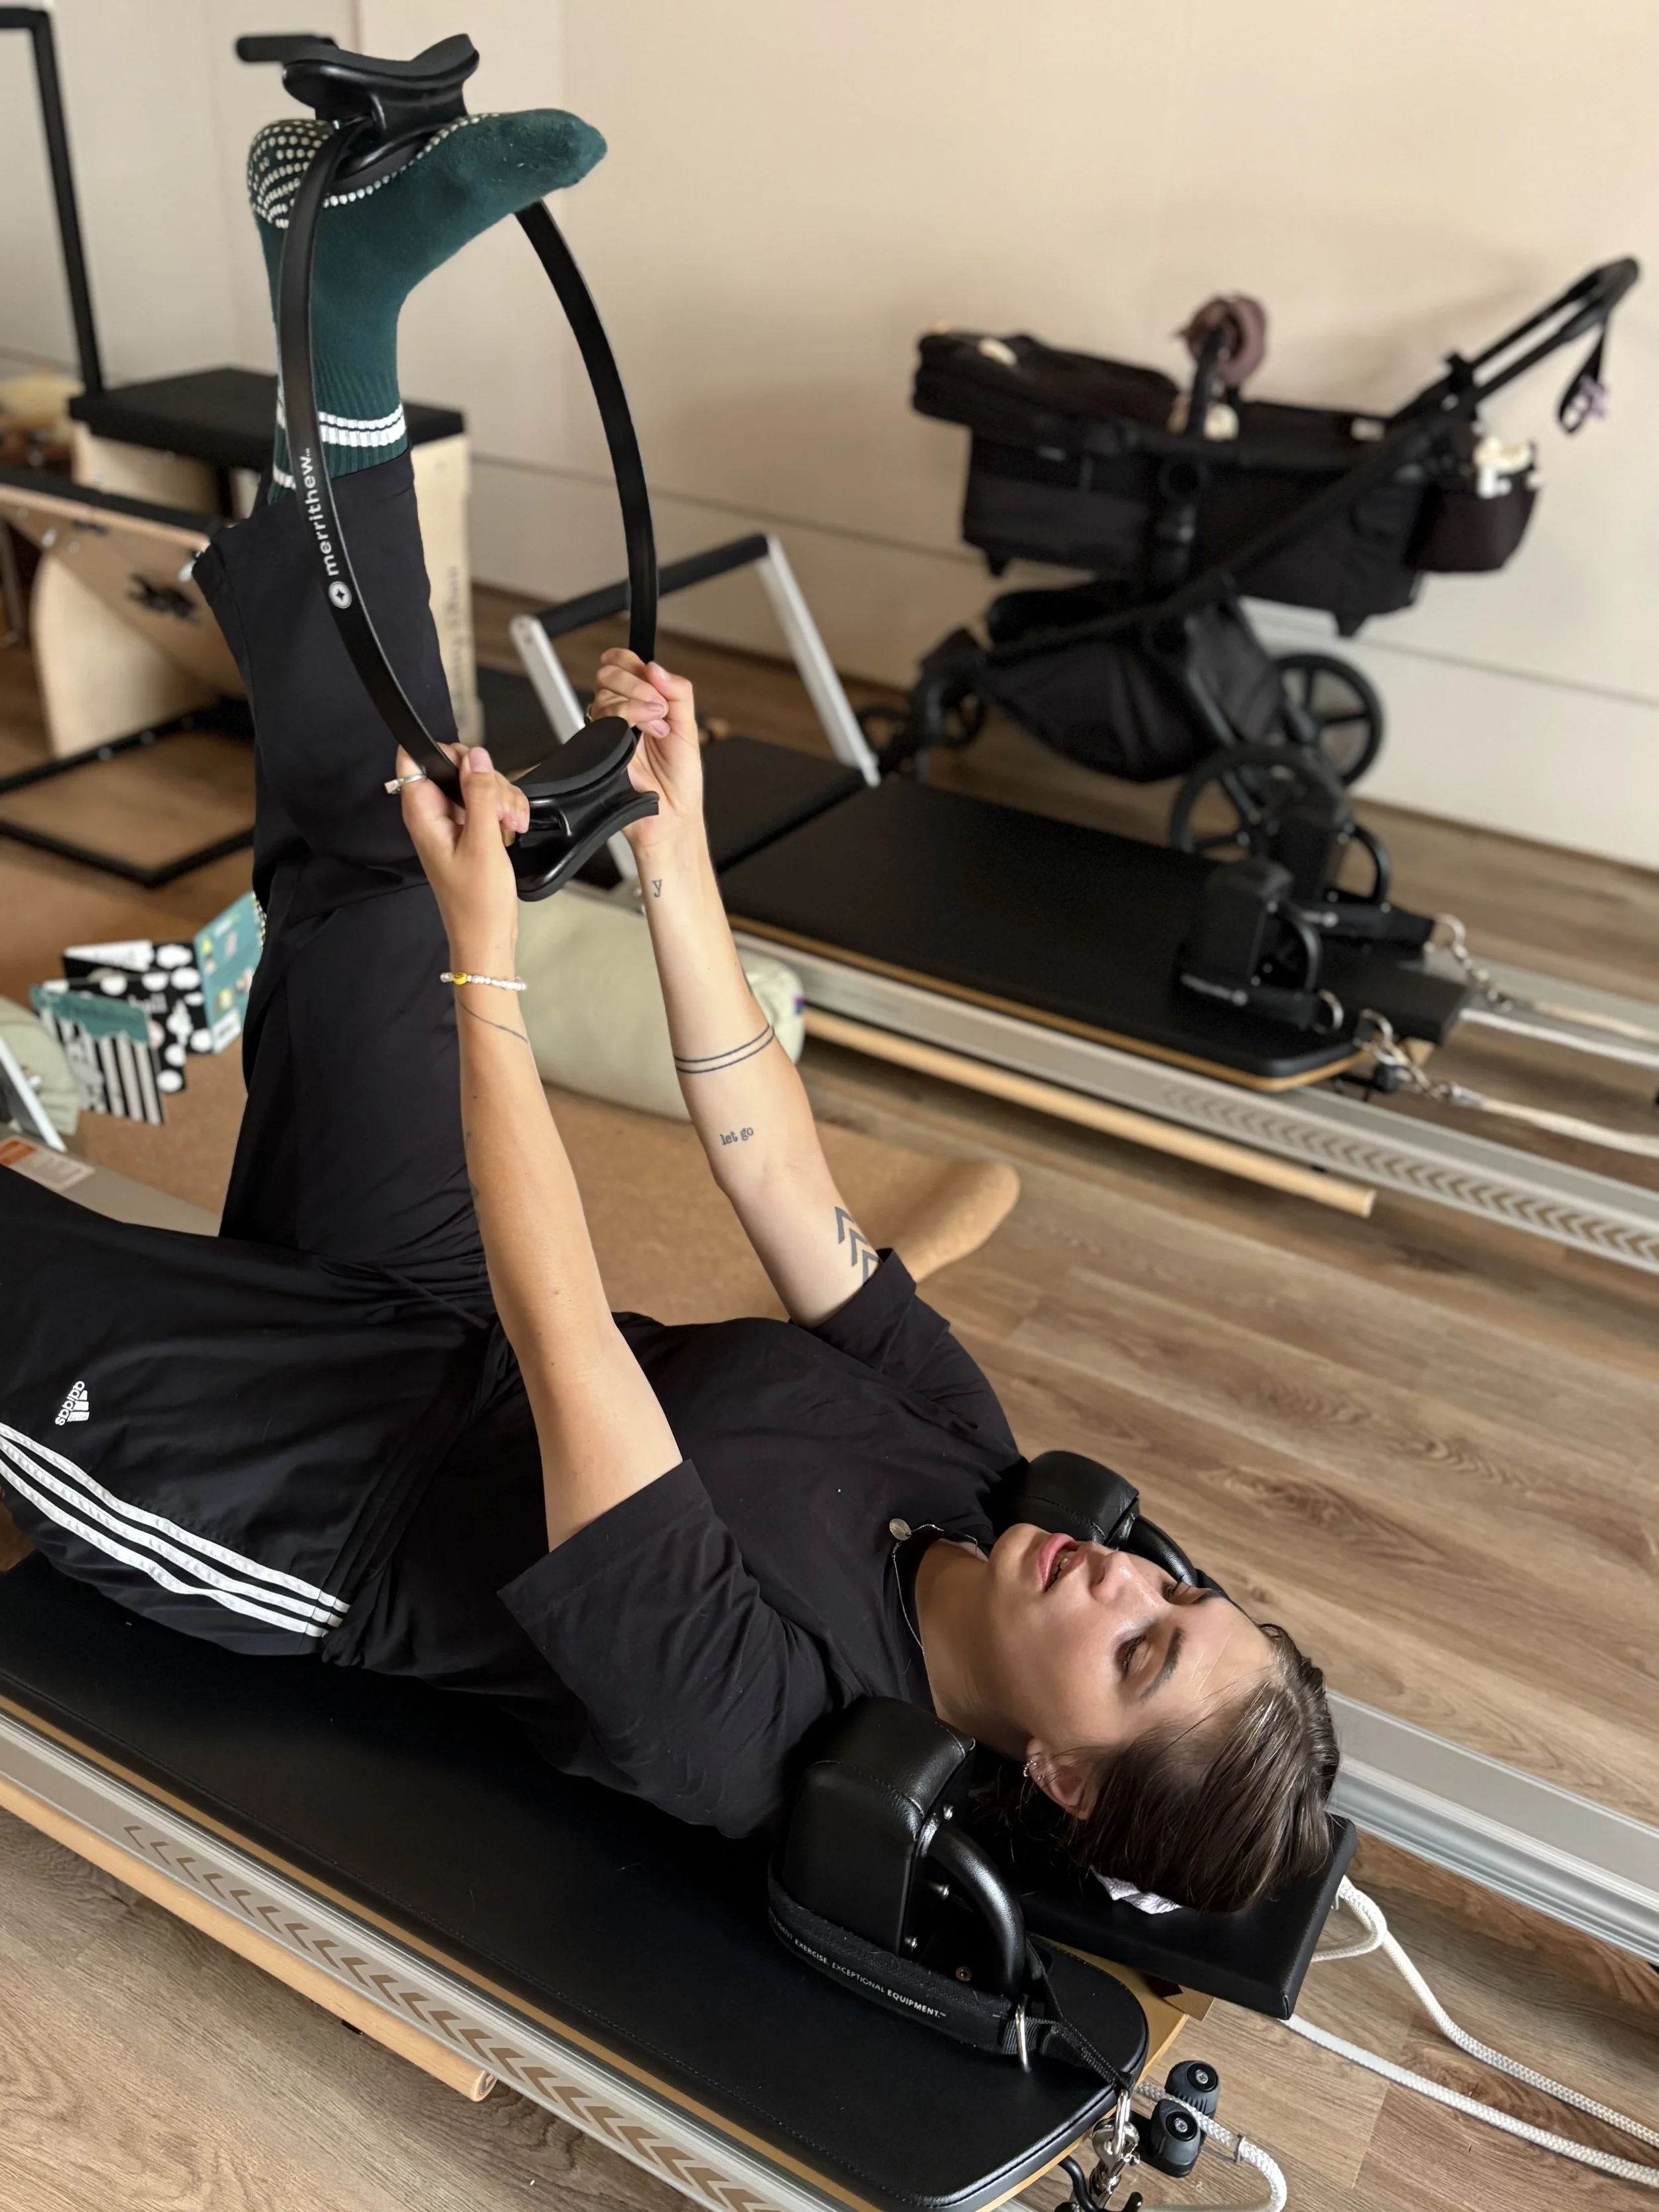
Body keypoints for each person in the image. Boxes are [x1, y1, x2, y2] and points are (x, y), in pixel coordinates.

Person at [0, 102, 1335, 1913]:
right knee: (379, 861)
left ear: (1059, 1782)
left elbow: (572, 1322)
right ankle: (341, 313)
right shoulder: (971, 1465)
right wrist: (674, 856)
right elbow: (770, 1165)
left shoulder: (755, 1726)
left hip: (304, 1504)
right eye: (1174, 1589)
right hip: (430, 1331)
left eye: (1138, 1654)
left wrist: (501, 960)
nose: (1118, 1581)